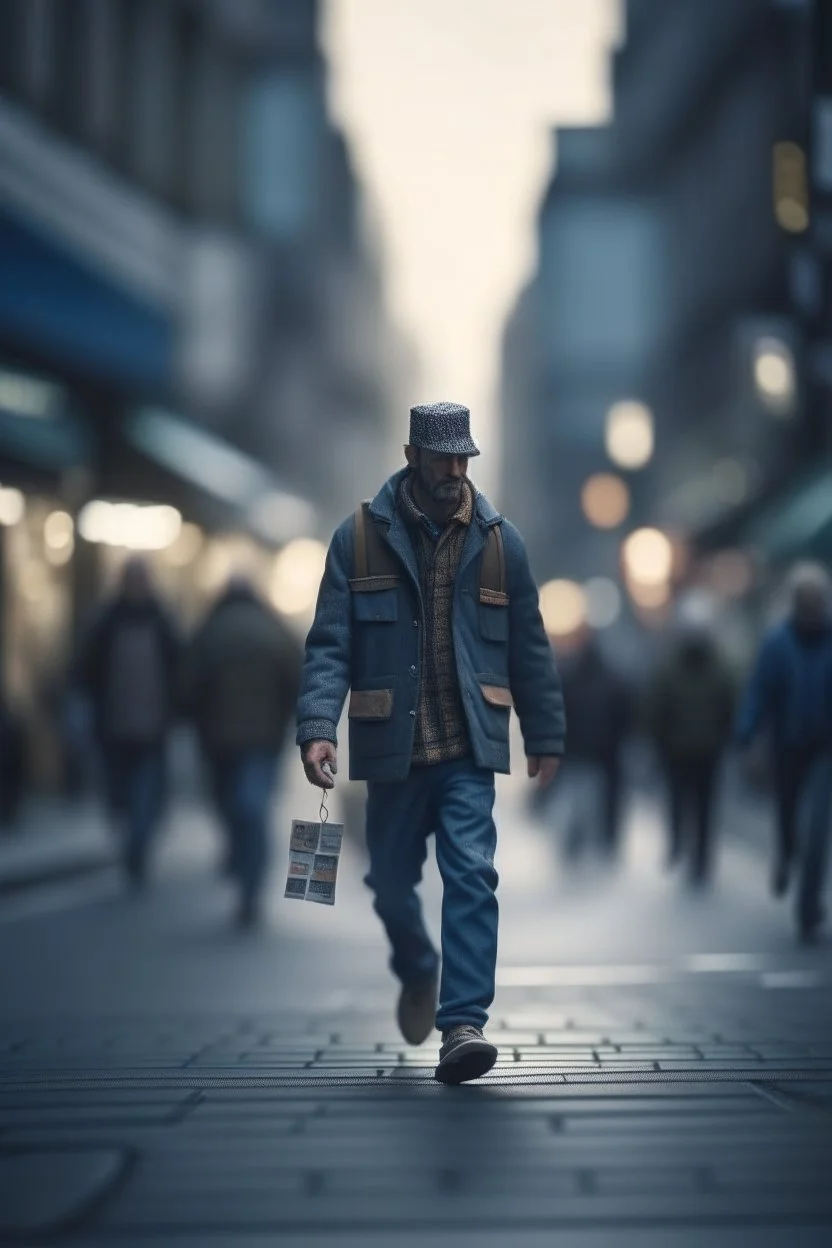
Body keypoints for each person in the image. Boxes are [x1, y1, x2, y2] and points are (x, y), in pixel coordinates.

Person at [296, 401, 565, 1085]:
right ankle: (419, 968)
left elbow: (531, 648)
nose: (455, 469)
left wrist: (546, 733)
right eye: (442, 456)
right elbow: (329, 646)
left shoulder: (503, 544)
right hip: (394, 751)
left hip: (469, 749)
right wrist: (319, 728)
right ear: (412, 456)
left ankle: (463, 1021)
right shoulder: (357, 539)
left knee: (473, 873)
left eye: (463, 456)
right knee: (389, 886)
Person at [184, 574, 303, 928]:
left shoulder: (210, 629)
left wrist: (193, 717)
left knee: (229, 805)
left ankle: (240, 860)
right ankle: (251, 881)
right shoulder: (273, 629)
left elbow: (187, 684)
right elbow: (299, 677)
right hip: (262, 739)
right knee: (253, 807)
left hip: (217, 739)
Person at [735, 562, 832, 942]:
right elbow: (758, 689)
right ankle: (785, 854)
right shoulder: (777, 642)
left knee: (818, 823)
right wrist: (746, 732)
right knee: (788, 815)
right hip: (787, 745)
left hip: (825, 745)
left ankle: (808, 905)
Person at [76, 557, 180, 887]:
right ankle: (133, 840)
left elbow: (179, 668)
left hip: (152, 728)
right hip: (114, 728)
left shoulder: (162, 621)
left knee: (146, 795)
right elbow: (85, 670)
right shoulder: (106, 622)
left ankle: (138, 846)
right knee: (119, 794)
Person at [644, 594, 735, 885]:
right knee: (684, 803)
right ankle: (686, 850)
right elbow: (657, 706)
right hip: (681, 751)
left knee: (700, 806)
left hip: (702, 751)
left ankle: (699, 860)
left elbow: (729, 704)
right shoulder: (674, 667)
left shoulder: (714, 668)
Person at [551, 630, 632, 861]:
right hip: (603, 756)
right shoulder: (614, 680)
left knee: (575, 801)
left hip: (575, 753)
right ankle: (603, 841)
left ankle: (574, 842)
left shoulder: (569, 679)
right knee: (600, 801)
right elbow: (626, 717)